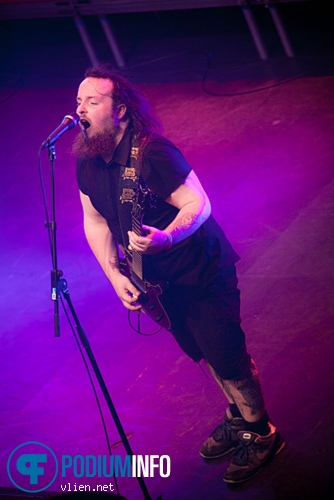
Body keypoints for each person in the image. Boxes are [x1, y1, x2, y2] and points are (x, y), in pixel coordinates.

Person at [72, 62, 285, 484]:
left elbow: (198, 205)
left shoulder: (152, 153)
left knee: (228, 357)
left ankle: (262, 433)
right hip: (160, 285)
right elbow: (94, 220)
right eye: (78, 101)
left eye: (92, 101)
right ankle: (237, 416)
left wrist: (166, 238)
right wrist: (115, 277)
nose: (81, 109)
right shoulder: (89, 158)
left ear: (120, 110)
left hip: (200, 275)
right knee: (204, 353)